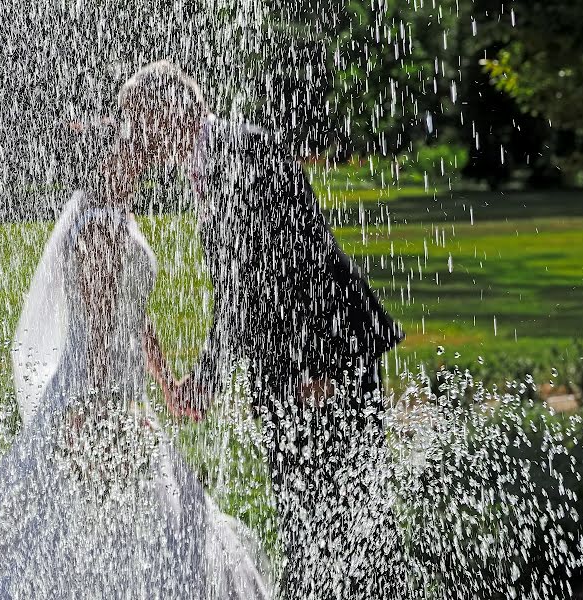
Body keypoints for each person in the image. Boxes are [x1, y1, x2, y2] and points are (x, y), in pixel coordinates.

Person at [117, 61, 405, 599]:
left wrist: (313, 367)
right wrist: (212, 375)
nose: (138, 137)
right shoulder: (204, 166)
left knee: (347, 501)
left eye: (141, 120)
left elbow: (297, 263)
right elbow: (238, 286)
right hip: (281, 361)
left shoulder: (249, 150)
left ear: (170, 112)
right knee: (300, 503)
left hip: (324, 355)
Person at [0, 137, 270, 599]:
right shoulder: (98, 226)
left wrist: (165, 380)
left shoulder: (121, 219)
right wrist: (96, 406)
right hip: (95, 390)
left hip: (120, 386)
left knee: (142, 510)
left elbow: (133, 311)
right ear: (103, 163)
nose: (141, 159)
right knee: (88, 512)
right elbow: (98, 325)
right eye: (125, 153)